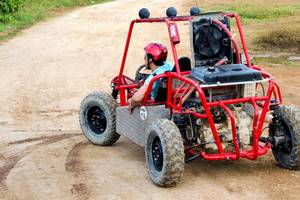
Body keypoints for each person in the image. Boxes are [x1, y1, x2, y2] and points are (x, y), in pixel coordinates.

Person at [128, 43, 172, 112]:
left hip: (160, 105)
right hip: (174, 97)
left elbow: (137, 99)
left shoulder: (153, 78)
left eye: (146, 56)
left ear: (150, 59)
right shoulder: (170, 65)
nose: (144, 58)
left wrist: (131, 101)